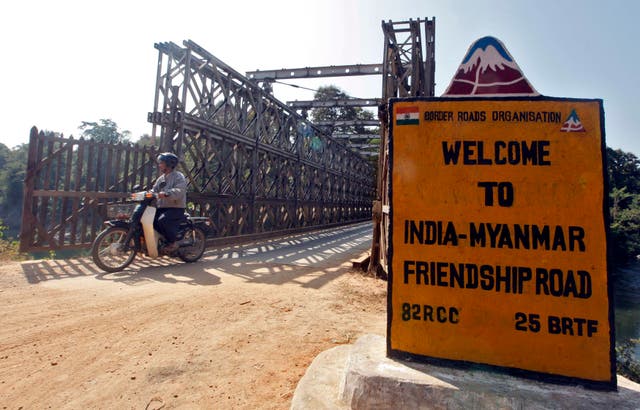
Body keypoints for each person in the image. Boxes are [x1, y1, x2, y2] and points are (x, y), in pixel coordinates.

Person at [152, 152, 187, 253]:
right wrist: (148, 193)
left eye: (161, 163)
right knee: (151, 220)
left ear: (169, 164)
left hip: (176, 208)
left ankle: (173, 242)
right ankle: (161, 242)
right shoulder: (161, 178)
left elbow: (179, 190)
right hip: (162, 207)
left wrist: (167, 193)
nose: (159, 165)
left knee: (163, 220)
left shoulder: (178, 176)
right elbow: (154, 189)